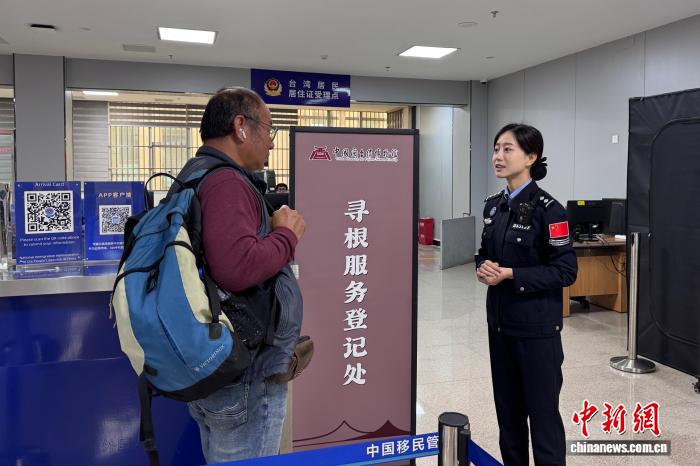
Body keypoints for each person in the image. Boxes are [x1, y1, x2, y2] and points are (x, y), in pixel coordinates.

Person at [181, 88, 306, 464]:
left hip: (214, 361)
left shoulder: (195, 174)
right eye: (268, 129)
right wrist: (286, 234)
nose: (271, 141)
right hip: (244, 377)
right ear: (241, 127)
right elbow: (238, 268)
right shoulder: (226, 183)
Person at [475, 123, 577, 465]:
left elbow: (565, 271)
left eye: (508, 149)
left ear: (531, 157)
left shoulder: (550, 210)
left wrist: (512, 274)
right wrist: (484, 268)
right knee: (509, 417)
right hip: (500, 327)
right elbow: (484, 253)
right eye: (496, 149)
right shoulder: (493, 207)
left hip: (536, 333)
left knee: (543, 419)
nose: (498, 156)